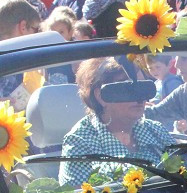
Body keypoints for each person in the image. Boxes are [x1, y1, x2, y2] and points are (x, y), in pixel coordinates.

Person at [59, 56, 170, 185]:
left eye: (142, 88)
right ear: (100, 96)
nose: (140, 98)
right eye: (129, 89)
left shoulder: (156, 131)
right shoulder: (79, 143)